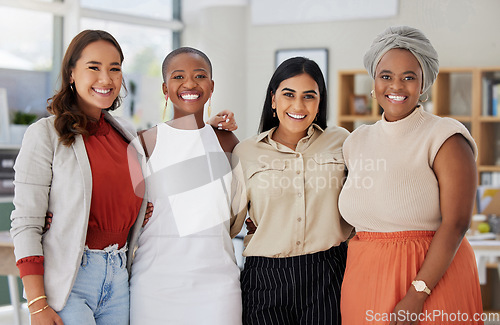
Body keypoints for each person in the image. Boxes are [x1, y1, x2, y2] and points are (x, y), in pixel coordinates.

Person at [338, 26, 483, 325]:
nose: (396, 86)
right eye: (386, 76)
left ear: (423, 83)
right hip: (363, 278)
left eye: (408, 77)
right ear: (374, 81)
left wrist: (418, 294)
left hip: (430, 280)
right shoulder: (355, 141)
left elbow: (457, 223)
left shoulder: (445, 136)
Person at [9, 30, 151, 325]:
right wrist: (36, 304)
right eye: (94, 67)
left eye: (115, 69)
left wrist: (208, 128)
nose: (106, 78)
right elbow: (26, 224)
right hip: (70, 281)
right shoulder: (45, 134)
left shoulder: (127, 135)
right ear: (71, 73)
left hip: (120, 275)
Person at [230, 57, 353, 325]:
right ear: (273, 99)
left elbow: (362, 203)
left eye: (309, 96)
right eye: (289, 95)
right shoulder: (246, 152)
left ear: (320, 101)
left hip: (329, 274)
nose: (298, 105)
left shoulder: (342, 142)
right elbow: (228, 224)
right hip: (266, 279)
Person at [129, 47, 242, 325]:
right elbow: (128, 214)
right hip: (155, 284)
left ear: (211, 86)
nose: (190, 84)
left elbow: (241, 207)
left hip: (219, 286)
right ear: (165, 88)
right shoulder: (143, 143)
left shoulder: (228, 142)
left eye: (199, 76)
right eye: (178, 76)